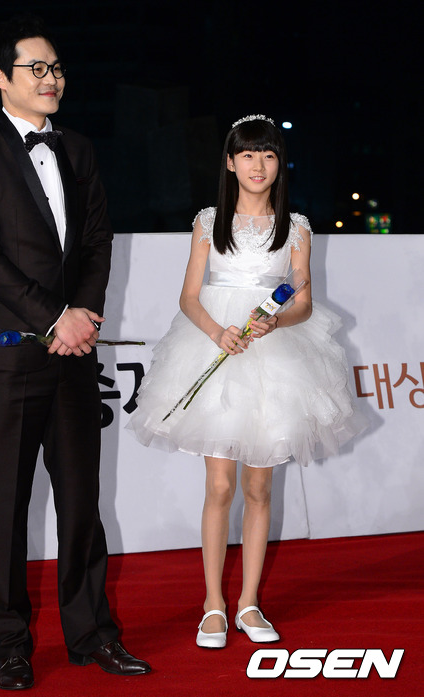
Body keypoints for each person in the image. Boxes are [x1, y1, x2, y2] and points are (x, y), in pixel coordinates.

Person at [0, 15, 150, 690]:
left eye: (56, 67)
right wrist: (54, 316)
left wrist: (82, 315)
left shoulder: (79, 149)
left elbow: (97, 241)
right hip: (11, 355)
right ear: (0, 77)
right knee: (3, 506)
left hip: (74, 352)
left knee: (82, 502)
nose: (51, 78)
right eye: (36, 68)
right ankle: (8, 643)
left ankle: (93, 634)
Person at [128, 114, 365, 649]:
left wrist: (274, 323)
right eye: (248, 154)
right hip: (215, 344)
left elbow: (303, 302)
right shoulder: (209, 222)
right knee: (220, 486)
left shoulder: (296, 228)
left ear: (279, 164)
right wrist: (218, 333)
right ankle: (212, 604)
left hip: (274, 356)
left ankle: (248, 602)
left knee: (260, 487)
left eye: (269, 154)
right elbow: (189, 296)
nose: (259, 165)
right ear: (231, 163)